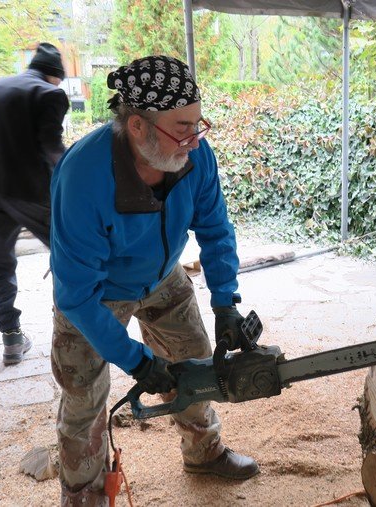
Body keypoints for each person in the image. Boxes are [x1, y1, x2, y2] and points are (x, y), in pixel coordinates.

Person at [49, 55, 259, 505]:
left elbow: (216, 230)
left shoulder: (195, 157)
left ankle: (204, 453)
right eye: (182, 128)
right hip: (96, 293)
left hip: (163, 277)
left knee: (195, 359)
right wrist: (136, 360)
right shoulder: (82, 177)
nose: (195, 140)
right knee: (84, 399)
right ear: (138, 126)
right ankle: (84, 496)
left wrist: (225, 301)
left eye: (198, 125)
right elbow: (76, 295)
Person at [0, 42, 70, 366]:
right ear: (55, 75)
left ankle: (11, 337)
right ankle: (75, 325)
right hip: (30, 191)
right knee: (70, 251)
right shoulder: (50, 94)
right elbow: (52, 146)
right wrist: (76, 173)